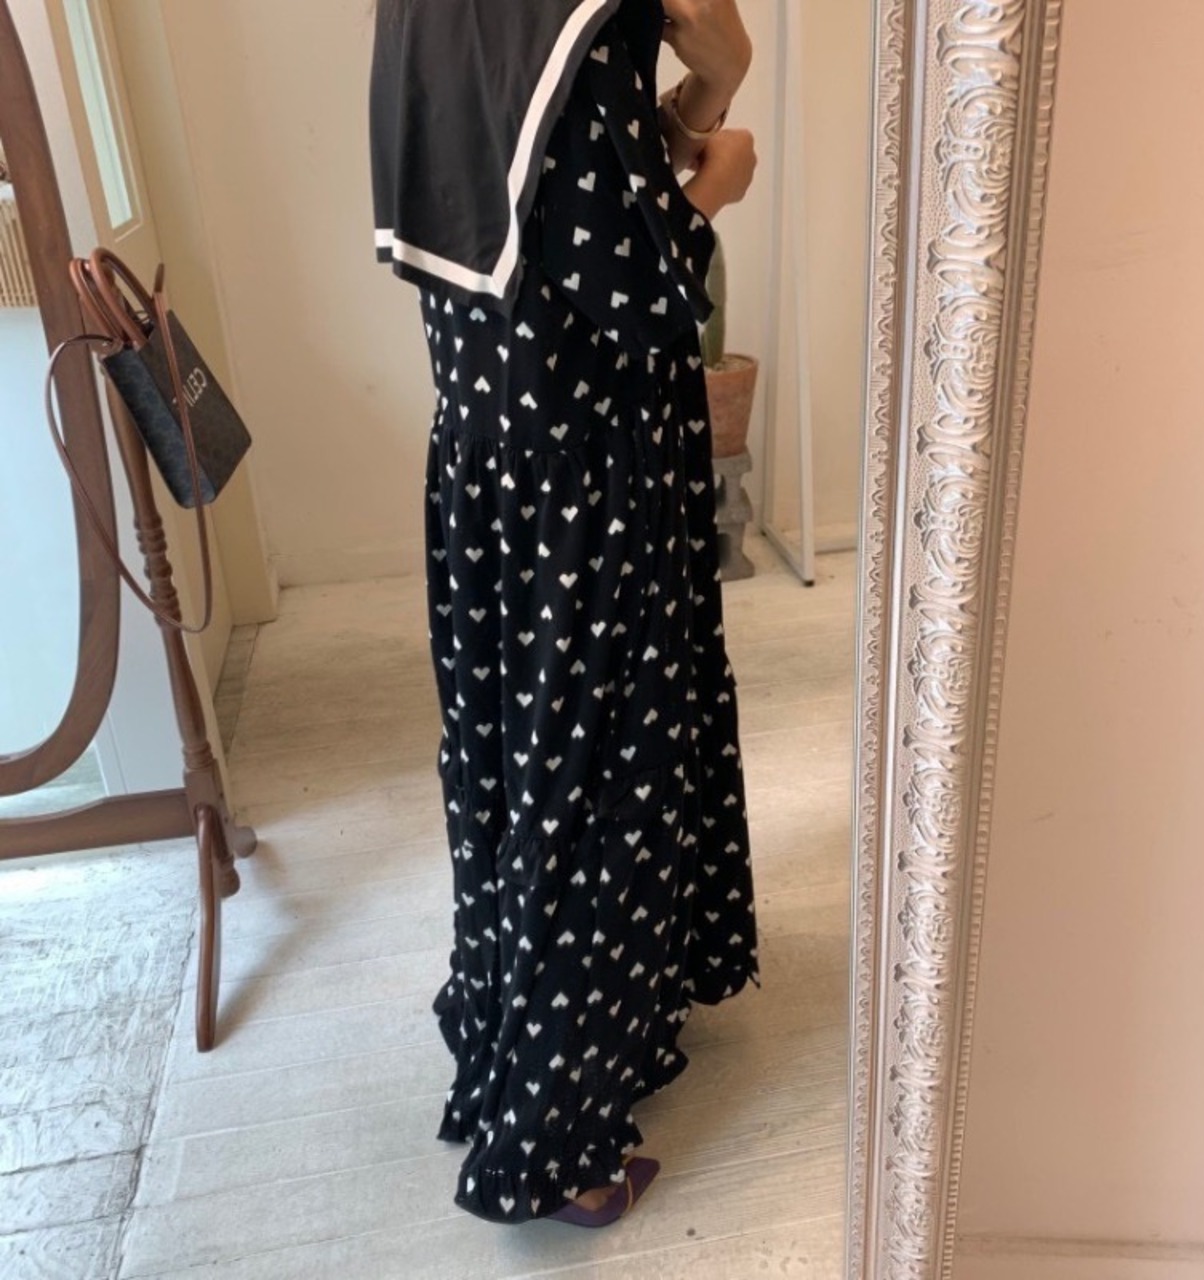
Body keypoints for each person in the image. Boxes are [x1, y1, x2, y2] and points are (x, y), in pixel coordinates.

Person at [369, 0, 760, 1227]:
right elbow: (632, 280)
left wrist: (692, 100)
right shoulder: (569, 20)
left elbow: (535, 203)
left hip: (493, 459)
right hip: (589, 472)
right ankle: (550, 1146)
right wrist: (719, 165)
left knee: (520, 766)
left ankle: (525, 1021)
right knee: (597, 783)